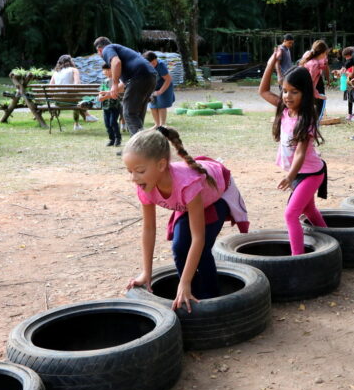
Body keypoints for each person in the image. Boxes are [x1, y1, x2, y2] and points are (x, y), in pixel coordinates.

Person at [123, 126, 249, 312]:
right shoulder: (144, 186)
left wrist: (184, 282)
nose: (134, 178)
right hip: (190, 201)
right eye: (129, 171)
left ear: (161, 165)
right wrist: (146, 273)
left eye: (140, 171)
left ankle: (211, 298)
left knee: (201, 249)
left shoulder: (187, 184)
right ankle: (190, 293)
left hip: (216, 195)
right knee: (180, 246)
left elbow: (198, 238)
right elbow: (149, 229)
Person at [259, 63, 327, 255]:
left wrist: (290, 177)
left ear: (305, 93)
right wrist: (271, 62)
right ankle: (334, 239)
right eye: (285, 91)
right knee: (310, 210)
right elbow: (263, 91)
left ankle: (297, 259)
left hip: (311, 174)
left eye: (294, 92)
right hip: (299, 174)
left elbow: (300, 153)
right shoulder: (284, 109)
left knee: (290, 214)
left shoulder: (306, 119)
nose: (287, 96)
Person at [95, 37, 157, 135]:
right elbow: (124, 84)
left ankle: (139, 147)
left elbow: (116, 62)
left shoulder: (107, 49)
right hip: (150, 77)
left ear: (99, 50)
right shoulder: (123, 53)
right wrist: (109, 94)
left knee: (129, 113)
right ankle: (142, 145)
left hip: (139, 77)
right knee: (137, 114)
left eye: (98, 53)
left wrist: (114, 84)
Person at [50, 54, 96, 131]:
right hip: (72, 101)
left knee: (76, 99)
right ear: (70, 61)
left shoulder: (55, 72)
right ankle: (85, 116)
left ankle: (82, 120)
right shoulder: (74, 70)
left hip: (58, 102)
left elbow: (51, 87)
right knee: (78, 99)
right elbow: (77, 85)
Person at [299, 40, 330, 117]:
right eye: (326, 53)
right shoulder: (314, 64)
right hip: (305, 92)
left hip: (302, 90)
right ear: (323, 53)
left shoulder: (312, 60)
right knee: (309, 116)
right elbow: (310, 84)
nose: (326, 56)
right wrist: (318, 95)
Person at [143, 52, 174, 127]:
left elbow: (168, 79)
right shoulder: (145, 65)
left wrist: (160, 91)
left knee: (161, 105)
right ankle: (156, 124)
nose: (153, 65)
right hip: (153, 86)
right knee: (153, 105)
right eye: (151, 63)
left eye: (154, 62)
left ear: (156, 59)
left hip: (164, 86)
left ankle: (162, 124)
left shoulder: (161, 65)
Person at [98, 63, 124, 147]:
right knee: (107, 124)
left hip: (114, 106)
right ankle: (111, 139)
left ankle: (118, 138)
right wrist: (100, 96)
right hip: (106, 106)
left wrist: (104, 97)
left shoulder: (115, 81)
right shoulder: (104, 81)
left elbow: (113, 93)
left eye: (108, 70)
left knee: (113, 122)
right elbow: (100, 92)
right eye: (104, 70)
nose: (105, 72)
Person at [336, 46, 354, 120]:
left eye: (347, 57)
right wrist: (338, 73)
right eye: (345, 57)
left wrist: (344, 73)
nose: (346, 59)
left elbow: (352, 74)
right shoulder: (347, 64)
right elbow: (343, 72)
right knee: (349, 98)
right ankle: (349, 113)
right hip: (348, 83)